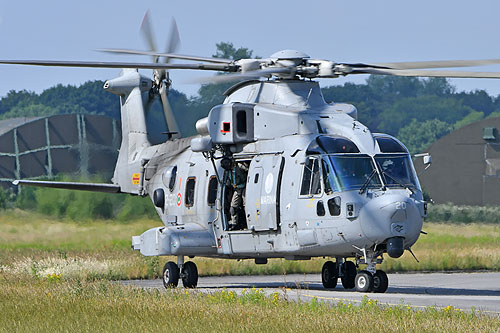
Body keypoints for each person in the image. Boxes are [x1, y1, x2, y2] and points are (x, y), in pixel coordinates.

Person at [229, 161, 248, 229]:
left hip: (244, 187)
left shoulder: (239, 166)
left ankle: (249, 221)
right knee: (233, 208)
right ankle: (234, 223)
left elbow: (248, 170)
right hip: (237, 189)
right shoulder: (229, 171)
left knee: (246, 206)